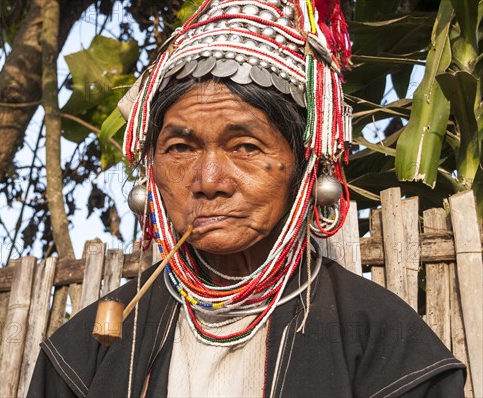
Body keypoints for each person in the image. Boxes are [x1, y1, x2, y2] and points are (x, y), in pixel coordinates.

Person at [28, 1, 466, 396]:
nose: (210, 181)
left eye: (246, 147)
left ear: (305, 167)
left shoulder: (385, 347)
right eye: (180, 148)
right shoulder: (81, 357)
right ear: (151, 171)